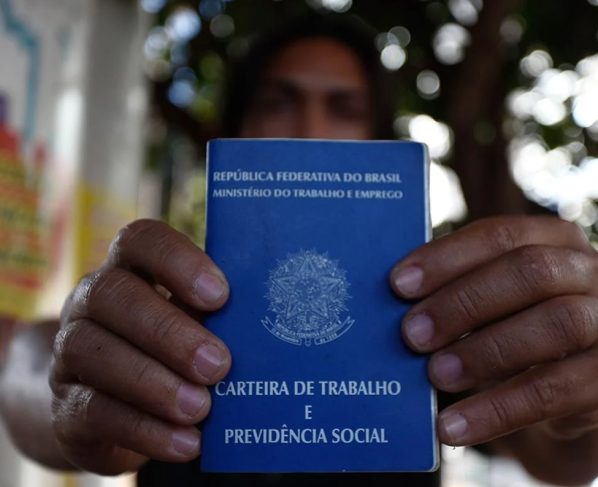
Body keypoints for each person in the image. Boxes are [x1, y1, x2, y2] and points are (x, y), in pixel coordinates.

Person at [1, 12, 598, 487]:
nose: (309, 128)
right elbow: (28, 363)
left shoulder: (430, 308)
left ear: (379, 143)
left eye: (344, 108)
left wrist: (583, 397)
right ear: (232, 134)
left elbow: (558, 455)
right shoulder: (169, 291)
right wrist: (63, 387)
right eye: (279, 101)